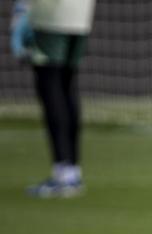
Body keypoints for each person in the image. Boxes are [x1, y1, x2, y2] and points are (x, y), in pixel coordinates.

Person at [9, 0, 95, 197]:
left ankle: (63, 173)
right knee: (67, 85)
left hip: (50, 14)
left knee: (51, 86)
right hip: (81, 14)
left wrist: (23, 9)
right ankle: (72, 171)